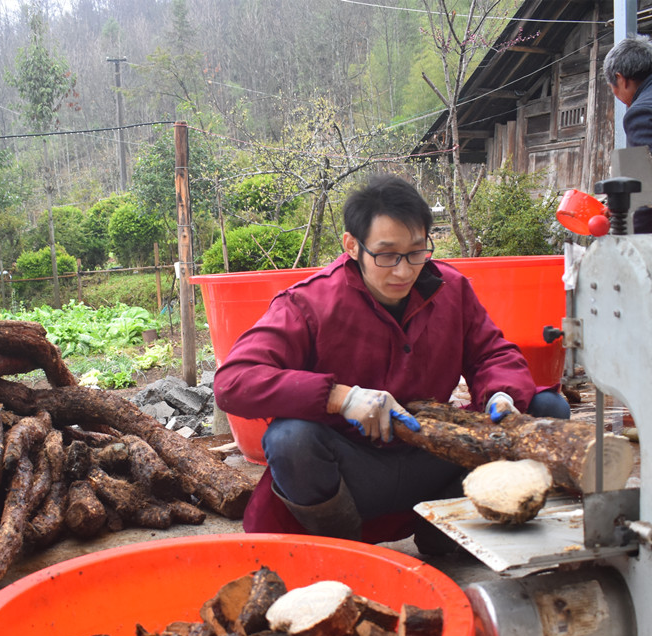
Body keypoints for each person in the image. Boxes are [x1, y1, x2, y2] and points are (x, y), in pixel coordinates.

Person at [213, 174, 570, 553]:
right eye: (386, 255)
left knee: (547, 409)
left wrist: (502, 393)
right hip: (353, 470)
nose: (403, 271)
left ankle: (449, 530)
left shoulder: (452, 289)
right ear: (352, 245)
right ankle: (345, 549)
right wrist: (341, 398)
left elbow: (492, 354)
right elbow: (234, 383)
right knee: (290, 438)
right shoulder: (308, 303)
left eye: (416, 252)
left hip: (434, 454)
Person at [603, 34, 652, 232]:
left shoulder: (641, 112)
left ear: (619, 78)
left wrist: (632, 246)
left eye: (611, 88)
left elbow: (644, 190)